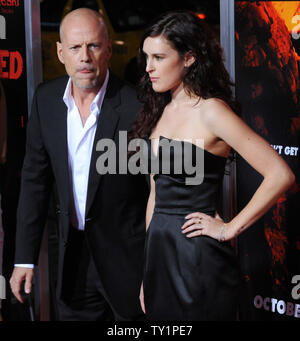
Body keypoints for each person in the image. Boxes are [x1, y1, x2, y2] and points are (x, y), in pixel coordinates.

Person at [129, 11, 295, 321]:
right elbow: (155, 194)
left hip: (197, 260)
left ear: (189, 58)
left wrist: (229, 228)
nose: (149, 67)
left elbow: (280, 174)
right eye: (147, 57)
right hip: (160, 256)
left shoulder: (211, 112)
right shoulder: (159, 107)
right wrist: (147, 271)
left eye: (159, 57)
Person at [9, 8, 148, 321]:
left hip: (129, 261)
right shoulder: (46, 101)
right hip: (73, 260)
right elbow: (34, 182)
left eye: (93, 46)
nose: (84, 57)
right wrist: (24, 259)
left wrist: (156, 268)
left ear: (109, 50)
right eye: (74, 47)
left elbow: (155, 191)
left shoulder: (136, 106)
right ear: (60, 52)